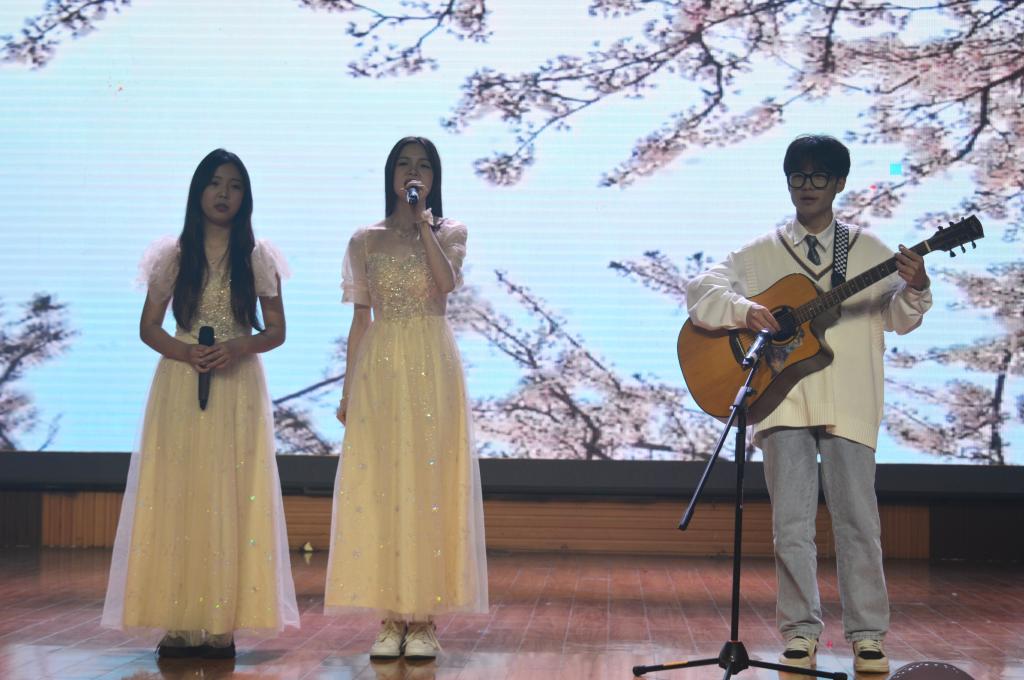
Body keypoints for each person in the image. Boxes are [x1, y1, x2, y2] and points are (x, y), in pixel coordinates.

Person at [685, 135, 932, 674]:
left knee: (859, 521)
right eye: (798, 175)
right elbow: (701, 291)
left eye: (820, 176)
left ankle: (868, 635)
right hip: (783, 399)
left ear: (839, 183)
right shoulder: (761, 252)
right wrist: (745, 310)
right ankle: (800, 632)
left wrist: (916, 286)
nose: (807, 186)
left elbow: (897, 318)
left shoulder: (869, 250)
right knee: (791, 524)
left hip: (850, 396)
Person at [102, 149, 299, 658]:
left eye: (234, 185)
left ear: (245, 196)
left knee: (230, 495)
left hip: (237, 385)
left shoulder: (257, 257)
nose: (223, 193)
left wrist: (238, 346)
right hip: (179, 383)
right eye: (214, 183)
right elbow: (149, 327)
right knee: (180, 495)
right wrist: (186, 352)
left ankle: (220, 624)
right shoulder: (173, 255)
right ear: (198, 192)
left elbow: (277, 331)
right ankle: (180, 620)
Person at [325, 136, 488, 660]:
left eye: (423, 167)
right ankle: (390, 616)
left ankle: (424, 619)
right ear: (391, 175)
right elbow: (360, 320)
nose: (412, 173)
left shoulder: (450, 232)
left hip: (432, 365)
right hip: (382, 366)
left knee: (429, 485)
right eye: (404, 165)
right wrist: (349, 389)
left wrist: (423, 227)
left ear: (434, 179)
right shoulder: (365, 240)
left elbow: (446, 284)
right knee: (384, 486)